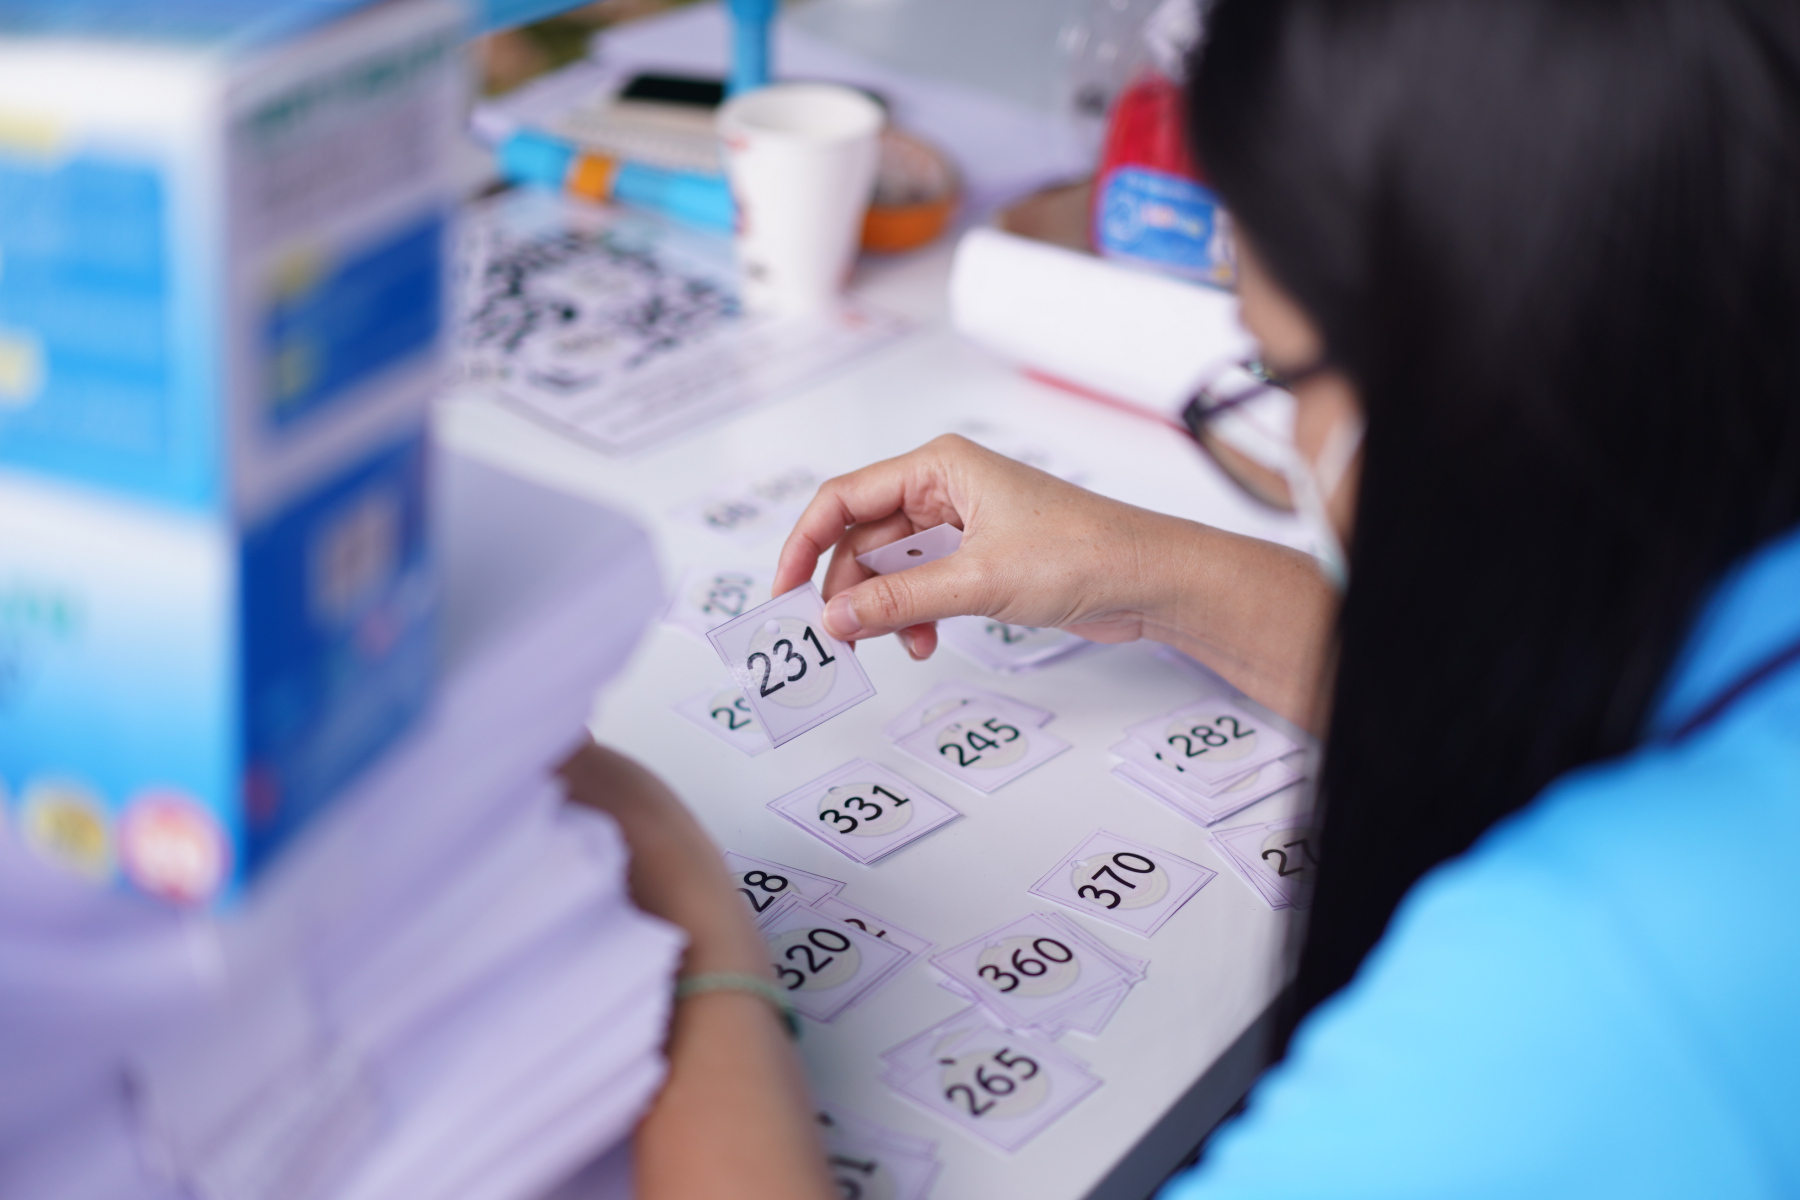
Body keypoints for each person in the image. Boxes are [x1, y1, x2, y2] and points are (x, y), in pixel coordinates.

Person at [568, 0, 1798, 1194]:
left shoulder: (1578, 996)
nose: (1288, 435)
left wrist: (690, 923)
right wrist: (1160, 576)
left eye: (1279, 371)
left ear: (1488, 373)